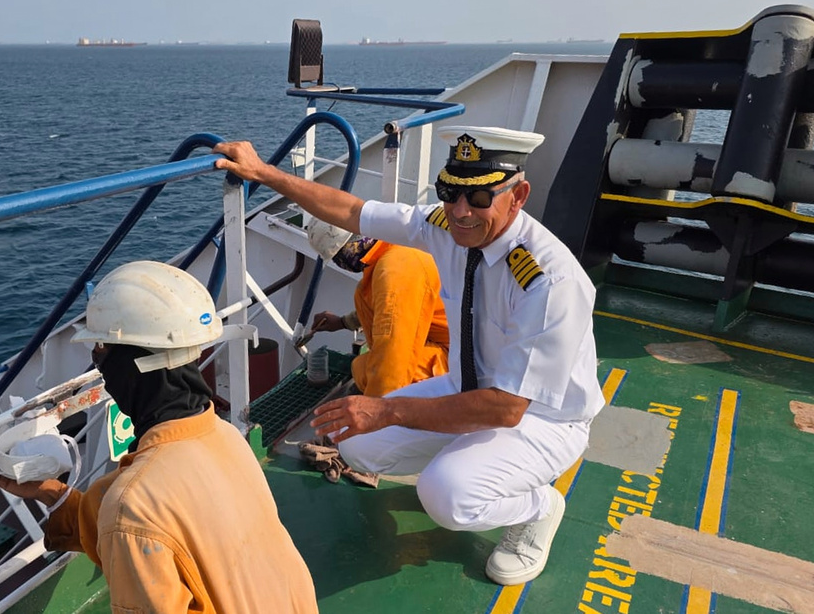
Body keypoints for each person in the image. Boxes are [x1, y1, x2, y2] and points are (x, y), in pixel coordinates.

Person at [214, 126, 604, 586]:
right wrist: (264, 173)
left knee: (446, 495)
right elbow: (352, 211)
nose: (461, 212)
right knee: (354, 442)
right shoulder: (445, 226)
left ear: (517, 196)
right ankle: (473, 465)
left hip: (542, 418)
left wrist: (385, 408)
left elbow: (506, 407)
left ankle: (537, 508)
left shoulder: (547, 281)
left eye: (479, 199)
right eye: (450, 193)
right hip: (467, 385)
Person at [0, 260, 318, 613]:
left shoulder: (133, 505)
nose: (98, 362)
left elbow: (138, 519)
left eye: (101, 349)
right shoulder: (225, 436)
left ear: (131, 367)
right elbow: (160, 520)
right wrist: (52, 494)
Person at [304, 217, 449, 397]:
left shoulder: (396, 270)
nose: (339, 263)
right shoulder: (392, 254)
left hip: (459, 360)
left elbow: (393, 358)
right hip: (443, 343)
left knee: (364, 369)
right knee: (364, 366)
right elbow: (390, 310)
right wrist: (342, 322)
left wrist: (375, 412)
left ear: (347, 248)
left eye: (337, 257)